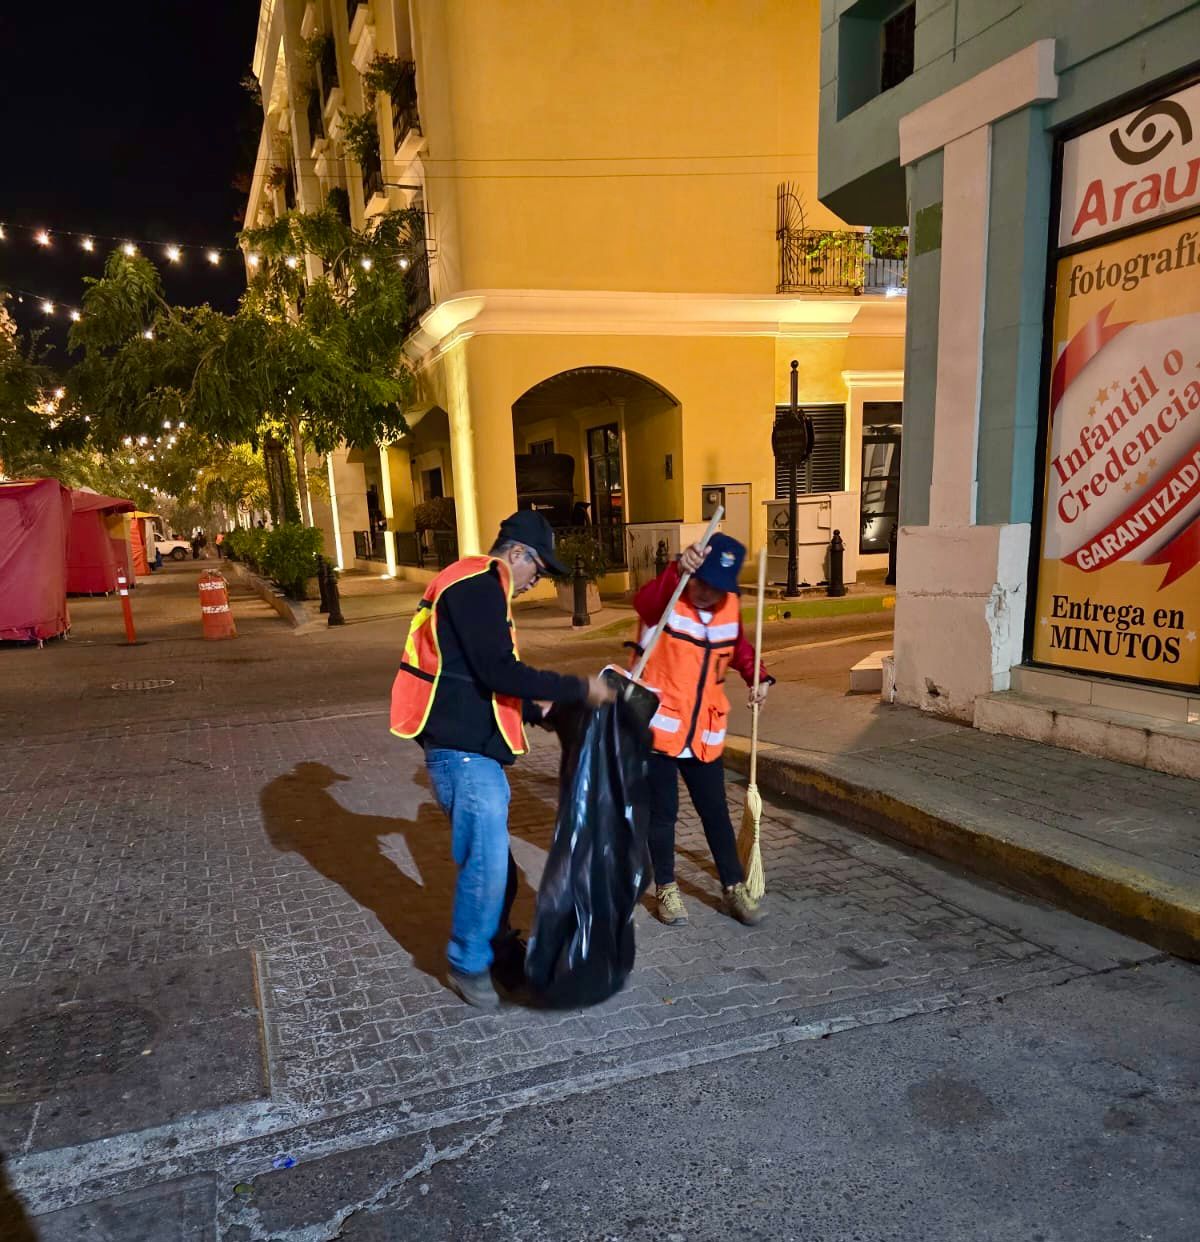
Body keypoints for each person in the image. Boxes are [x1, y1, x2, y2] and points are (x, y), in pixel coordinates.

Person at [390, 510, 615, 1009]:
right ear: (516, 553)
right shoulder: (477, 585)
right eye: (538, 568)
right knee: (489, 865)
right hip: (463, 756)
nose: (537, 582)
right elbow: (497, 670)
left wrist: (541, 710)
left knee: (502, 872)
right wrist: (579, 688)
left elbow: (474, 675)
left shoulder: (477, 587)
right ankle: (468, 963)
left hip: (468, 750)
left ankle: (496, 951)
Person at [631, 533, 773, 928]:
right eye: (703, 580)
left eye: (719, 585)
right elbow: (643, 603)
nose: (709, 591)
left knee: (716, 814)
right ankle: (666, 888)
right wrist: (677, 570)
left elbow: (739, 647)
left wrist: (757, 675)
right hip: (659, 732)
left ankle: (732, 887)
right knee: (663, 816)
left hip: (705, 732)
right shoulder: (668, 596)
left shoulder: (729, 607)